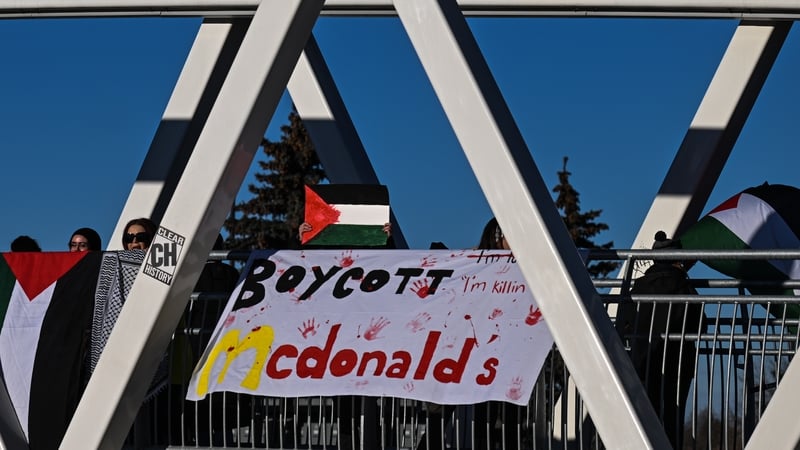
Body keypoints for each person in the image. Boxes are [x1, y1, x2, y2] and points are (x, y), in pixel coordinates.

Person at [617, 230, 705, 448]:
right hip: (678, 364)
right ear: (677, 259)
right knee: (672, 419)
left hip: (644, 363)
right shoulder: (684, 287)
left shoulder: (639, 286)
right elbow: (700, 325)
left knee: (645, 419)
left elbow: (624, 322)